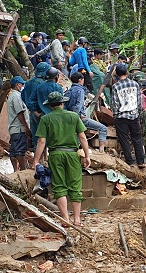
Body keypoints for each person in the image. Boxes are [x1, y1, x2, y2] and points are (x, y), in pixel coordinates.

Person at [33, 90, 91, 227]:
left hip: (55, 155)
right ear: (62, 103)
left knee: (59, 186)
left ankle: (65, 219)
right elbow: (82, 137)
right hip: (72, 154)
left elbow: (41, 141)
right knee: (75, 186)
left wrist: (36, 160)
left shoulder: (46, 119)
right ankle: (77, 220)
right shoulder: (73, 116)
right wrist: (87, 156)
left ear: (50, 106)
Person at [110, 63, 146, 167]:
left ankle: (130, 162)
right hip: (134, 115)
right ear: (126, 72)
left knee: (124, 139)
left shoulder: (116, 86)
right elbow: (139, 101)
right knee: (137, 138)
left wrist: (115, 115)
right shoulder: (135, 84)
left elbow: (115, 103)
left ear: (116, 74)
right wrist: (137, 112)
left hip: (121, 117)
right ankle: (141, 161)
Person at [64, 72, 109, 147]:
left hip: (69, 119)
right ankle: (101, 152)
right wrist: (76, 116)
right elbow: (79, 105)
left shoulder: (68, 91)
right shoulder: (80, 90)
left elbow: (64, 106)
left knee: (78, 137)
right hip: (79, 118)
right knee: (103, 128)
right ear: (80, 80)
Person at [6, 76, 32, 171]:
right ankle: (22, 170)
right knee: (20, 152)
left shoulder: (11, 96)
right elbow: (20, 113)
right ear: (17, 85)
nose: (23, 86)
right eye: (22, 84)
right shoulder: (16, 96)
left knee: (13, 152)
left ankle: (15, 171)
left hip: (14, 129)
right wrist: (26, 127)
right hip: (19, 128)